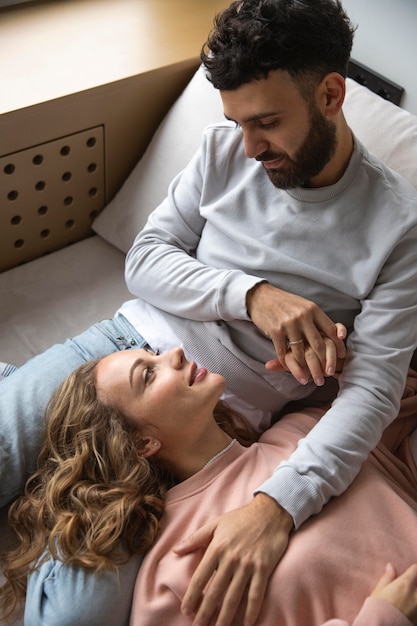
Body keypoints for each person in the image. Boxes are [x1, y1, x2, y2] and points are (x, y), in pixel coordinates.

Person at [1, 0, 417, 624]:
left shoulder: (399, 230)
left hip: (206, 438)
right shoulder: (223, 153)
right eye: (236, 121)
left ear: (332, 95)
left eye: (267, 123)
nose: (249, 147)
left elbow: (374, 393)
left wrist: (278, 504)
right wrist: (252, 296)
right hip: (122, 354)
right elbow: (144, 259)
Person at [2, 348, 417, 626]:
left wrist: (349, 364)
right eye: (149, 373)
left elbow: (398, 389)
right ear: (142, 443)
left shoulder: (310, 430)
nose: (176, 352)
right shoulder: (173, 563)